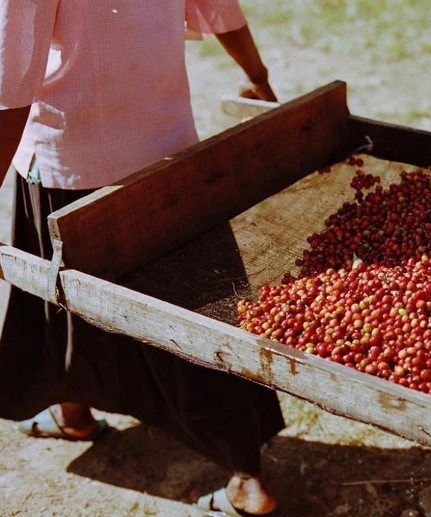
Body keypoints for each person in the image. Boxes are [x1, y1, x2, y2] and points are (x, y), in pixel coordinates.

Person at [0, 2, 284, 515]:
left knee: (60, 301)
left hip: (73, 164)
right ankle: (77, 410)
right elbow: (218, 6)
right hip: (166, 147)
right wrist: (257, 76)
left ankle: (77, 410)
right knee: (200, 315)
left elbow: (10, 85)